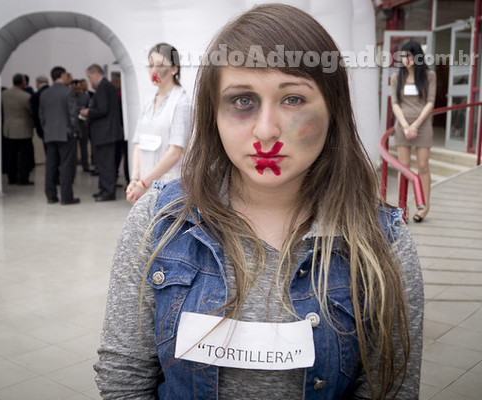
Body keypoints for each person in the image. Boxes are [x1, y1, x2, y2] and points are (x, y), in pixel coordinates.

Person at [94, 4, 424, 399]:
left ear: (333, 109)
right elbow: (124, 379)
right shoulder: (158, 220)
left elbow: (389, 388)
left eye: (293, 100)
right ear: (212, 113)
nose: (266, 131)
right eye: (242, 101)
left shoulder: (381, 241)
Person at [125, 43, 192, 204]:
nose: (154, 70)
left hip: (170, 186)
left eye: (160, 65)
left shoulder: (182, 103)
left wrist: (144, 183)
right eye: (151, 65)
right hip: (144, 184)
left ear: (174, 69)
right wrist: (135, 179)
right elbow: (138, 144)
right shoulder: (148, 104)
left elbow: (175, 151)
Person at [390, 41, 437, 223]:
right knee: (404, 167)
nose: (406, 60)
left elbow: (430, 102)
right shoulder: (397, 77)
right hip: (403, 126)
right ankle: (403, 208)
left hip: (422, 126)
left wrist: (415, 125)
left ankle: (424, 207)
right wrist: (404, 125)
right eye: (403, 56)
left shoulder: (428, 76)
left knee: (423, 166)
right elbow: (395, 103)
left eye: (409, 56)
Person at [80, 64, 123, 202]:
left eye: (89, 77)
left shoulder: (103, 86)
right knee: (104, 164)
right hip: (106, 133)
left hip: (106, 133)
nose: (90, 81)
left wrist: (88, 112)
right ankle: (105, 189)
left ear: (95, 74)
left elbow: (103, 109)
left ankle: (108, 192)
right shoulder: (106, 85)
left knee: (106, 165)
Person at [39, 66, 80, 205]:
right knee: (66, 166)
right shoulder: (68, 92)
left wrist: (46, 129)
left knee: (50, 166)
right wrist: (74, 130)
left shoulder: (44, 93)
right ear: (62, 75)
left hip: (50, 134)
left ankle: (51, 196)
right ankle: (66, 197)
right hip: (66, 134)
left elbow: (41, 116)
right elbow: (73, 113)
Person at [1, 73, 34, 185]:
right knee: (24, 156)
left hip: (8, 129)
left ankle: (12, 178)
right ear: (22, 83)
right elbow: (31, 111)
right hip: (23, 130)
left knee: (11, 155)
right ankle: (23, 179)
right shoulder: (26, 96)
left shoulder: (4, 94)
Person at [71, 79, 92, 172]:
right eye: (75, 89)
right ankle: (73, 166)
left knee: (84, 147)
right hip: (73, 125)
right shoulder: (69, 97)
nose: (77, 91)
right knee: (73, 148)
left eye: (79, 89)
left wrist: (87, 119)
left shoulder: (86, 96)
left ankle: (85, 165)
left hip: (83, 125)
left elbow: (90, 108)